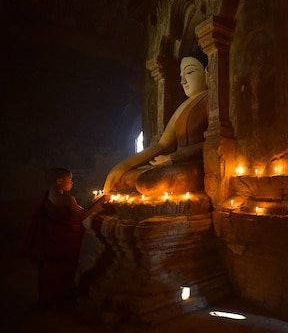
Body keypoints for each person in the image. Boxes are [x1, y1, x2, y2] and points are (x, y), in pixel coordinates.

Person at [103, 50, 209, 196]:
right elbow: (162, 145)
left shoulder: (210, 99)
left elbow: (212, 142)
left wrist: (172, 158)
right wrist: (122, 166)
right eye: (181, 75)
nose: (183, 81)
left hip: (198, 166)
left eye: (189, 72)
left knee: (151, 181)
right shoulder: (182, 107)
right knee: (123, 179)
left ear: (208, 72)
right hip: (174, 165)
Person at [19, 168, 109, 308]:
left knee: (50, 269)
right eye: (70, 180)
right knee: (64, 268)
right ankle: (60, 299)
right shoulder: (67, 199)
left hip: (52, 239)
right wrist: (100, 201)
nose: (72, 183)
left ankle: (47, 298)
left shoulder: (48, 195)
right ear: (59, 181)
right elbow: (81, 216)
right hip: (64, 241)